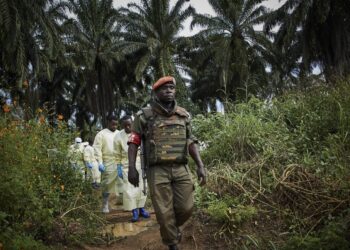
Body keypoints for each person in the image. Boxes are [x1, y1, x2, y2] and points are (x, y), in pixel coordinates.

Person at [128, 76, 207, 250]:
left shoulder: (183, 114)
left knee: (187, 207)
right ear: (156, 92)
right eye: (164, 88)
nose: (169, 90)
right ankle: (172, 243)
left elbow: (191, 141)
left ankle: (170, 228)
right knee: (164, 212)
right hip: (157, 170)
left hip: (180, 168)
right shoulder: (144, 116)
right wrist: (132, 168)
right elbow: (133, 142)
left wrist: (200, 165)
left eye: (172, 87)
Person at [114, 115, 150, 222]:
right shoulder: (118, 136)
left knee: (142, 186)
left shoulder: (140, 133)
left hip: (141, 163)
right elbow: (117, 154)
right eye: (125, 126)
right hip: (126, 165)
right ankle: (134, 210)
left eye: (130, 125)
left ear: (133, 123)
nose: (128, 127)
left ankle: (141, 208)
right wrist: (118, 166)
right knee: (129, 188)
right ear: (122, 126)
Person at [93, 115, 120, 213]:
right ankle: (105, 204)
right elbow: (97, 149)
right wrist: (100, 162)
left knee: (122, 183)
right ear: (108, 122)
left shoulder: (119, 133)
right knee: (107, 184)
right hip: (107, 162)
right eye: (113, 124)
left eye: (116, 124)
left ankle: (124, 203)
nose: (115, 126)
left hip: (119, 162)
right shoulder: (101, 134)